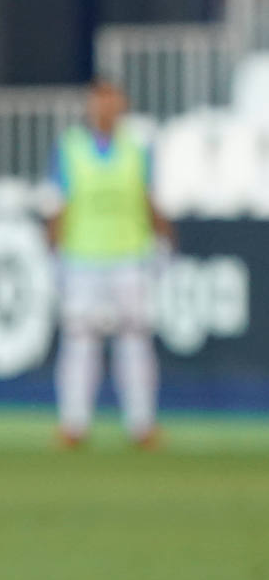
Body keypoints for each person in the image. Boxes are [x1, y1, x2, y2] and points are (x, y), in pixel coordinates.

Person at [47, 78, 175, 449]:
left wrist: (166, 243)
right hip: (82, 257)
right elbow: (58, 203)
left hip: (129, 256)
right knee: (79, 341)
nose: (105, 109)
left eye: (112, 102)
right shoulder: (69, 148)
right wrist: (52, 253)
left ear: (123, 106)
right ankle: (73, 424)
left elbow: (150, 199)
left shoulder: (138, 149)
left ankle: (141, 424)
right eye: (99, 102)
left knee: (135, 340)